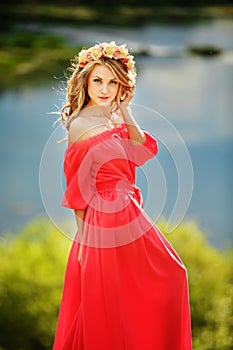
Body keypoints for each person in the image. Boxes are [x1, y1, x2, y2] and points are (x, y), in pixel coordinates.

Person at [53, 41, 192, 350]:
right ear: (85, 82)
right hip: (105, 218)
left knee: (172, 275)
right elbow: (75, 186)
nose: (104, 89)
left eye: (112, 81)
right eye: (97, 80)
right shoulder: (80, 124)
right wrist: (83, 239)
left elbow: (141, 151)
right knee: (112, 299)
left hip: (129, 209)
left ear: (122, 85)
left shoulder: (115, 117)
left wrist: (126, 111)